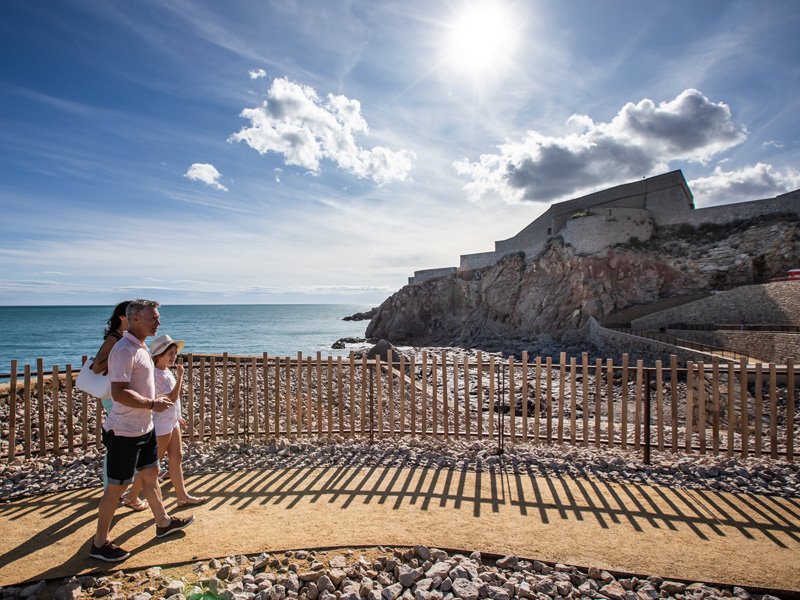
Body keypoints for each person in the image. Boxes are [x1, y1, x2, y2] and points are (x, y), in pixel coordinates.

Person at [89, 299, 194, 562]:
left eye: (158, 317)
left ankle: (163, 522)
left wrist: (151, 410)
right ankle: (99, 543)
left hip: (143, 428)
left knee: (151, 475)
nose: (158, 322)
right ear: (134, 319)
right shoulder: (124, 350)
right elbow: (119, 392)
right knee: (115, 489)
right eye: (153, 318)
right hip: (124, 432)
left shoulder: (141, 347)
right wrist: (152, 403)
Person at [124, 334, 206, 508]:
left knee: (177, 457)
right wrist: (181, 376)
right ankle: (131, 496)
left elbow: (174, 401)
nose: (173, 357)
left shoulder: (166, 371)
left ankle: (182, 496)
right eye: (169, 353)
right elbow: (172, 396)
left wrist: (178, 416)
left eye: (174, 353)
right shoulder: (154, 373)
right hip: (160, 423)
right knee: (152, 464)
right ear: (158, 354)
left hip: (171, 420)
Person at [91, 300, 130, 490]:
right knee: (116, 443)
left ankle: (141, 475)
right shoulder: (115, 338)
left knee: (130, 439)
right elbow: (97, 365)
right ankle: (111, 488)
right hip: (112, 396)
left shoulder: (128, 338)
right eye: (133, 315)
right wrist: (118, 360)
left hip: (123, 394)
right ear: (122, 317)